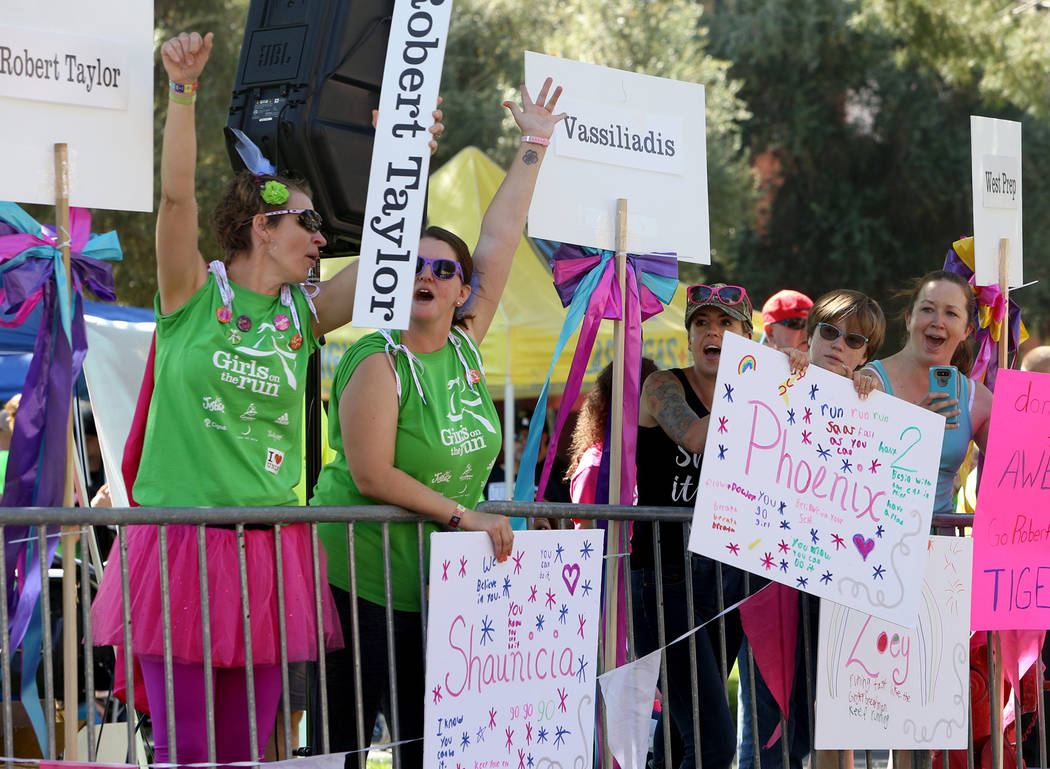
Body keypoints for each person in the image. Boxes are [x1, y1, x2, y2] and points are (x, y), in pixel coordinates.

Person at [90, 31, 442, 764]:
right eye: (308, 223)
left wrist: (407, 157)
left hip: (269, 559)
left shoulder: (302, 317)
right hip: (183, 549)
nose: (321, 238)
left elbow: (385, 251)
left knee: (252, 750)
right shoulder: (189, 294)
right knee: (189, 750)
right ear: (263, 225)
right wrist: (183, 93)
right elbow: (176, 195)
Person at [309, 78, 565, 767]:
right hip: (357, 583)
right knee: (343, 749)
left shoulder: (463, 346)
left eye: (443, 267)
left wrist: (534, 145)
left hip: (439, 588)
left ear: (462, 289)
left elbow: (502, 238)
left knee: (438, 748)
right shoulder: (375, 355)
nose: (425, 272)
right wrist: (467, 516)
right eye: (412, 262)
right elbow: (371, 471)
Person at [741, 289, 884, 769]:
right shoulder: (779, 371)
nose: (838, 344)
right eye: (828, 331)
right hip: (771, 575)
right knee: (767, 710)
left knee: (832, 712)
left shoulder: (871, 399)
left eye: (854, 339)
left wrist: (869, 397)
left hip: (839, 577)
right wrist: (780, 368)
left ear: (867, 353)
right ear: (812, 331)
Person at [632, 284, 755, 769]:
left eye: (726, 324)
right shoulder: (662, 385)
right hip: (664, 583)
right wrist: (759, 381)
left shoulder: (756, 391)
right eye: (702, 323)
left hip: (728, 578)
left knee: (681, 742)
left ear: (746, 336)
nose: (713, 332)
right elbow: (695, 436)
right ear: (688, 337)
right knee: (713, 744)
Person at [858, 270, 992, 515]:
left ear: (967, 330)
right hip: (873, 537)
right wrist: (914, 427)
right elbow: (845, 469)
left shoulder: (978, 399)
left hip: (941, 546)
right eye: (928, 309)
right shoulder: (867, 384)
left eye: (951, 313)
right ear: (909, 319)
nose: (937, 321)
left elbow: (1022, 471)